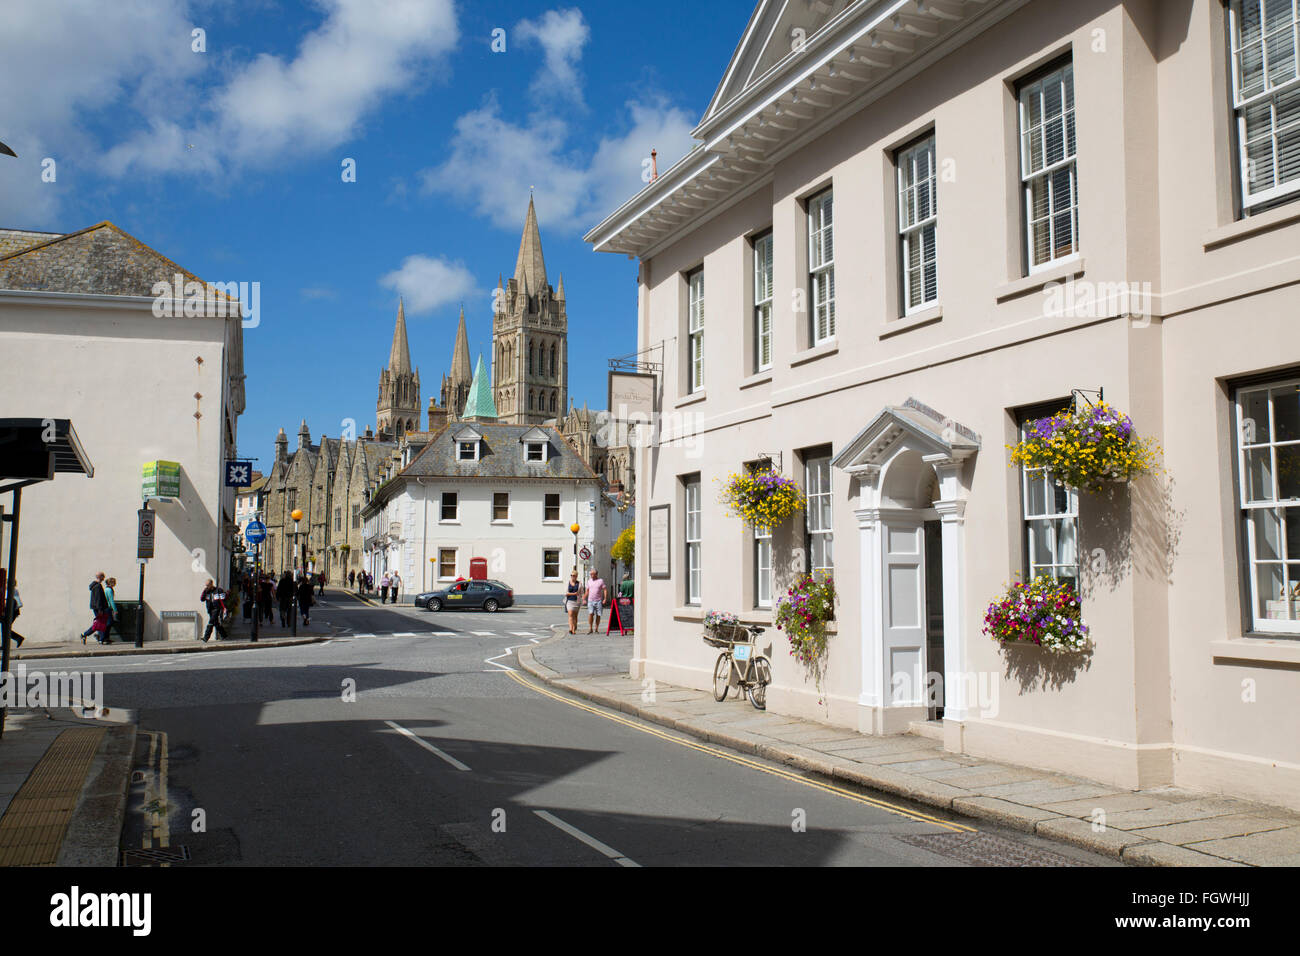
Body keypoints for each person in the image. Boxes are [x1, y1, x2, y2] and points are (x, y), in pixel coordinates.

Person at [81, 572, 110, 645]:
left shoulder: (95, 586)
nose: (104, 578)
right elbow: (98, 599)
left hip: (97, 607)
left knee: (99, 623)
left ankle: (85, 635)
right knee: (101, 623)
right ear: (100, 577)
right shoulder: (97, 586)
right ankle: (101, 639)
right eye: (103, 577)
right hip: (99, 608)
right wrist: (100, 609)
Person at [4, 579, 25, 648]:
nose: (6, 585)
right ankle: (18, 639)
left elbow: (18, 603)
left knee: (6, 628)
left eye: (7, 583)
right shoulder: (10, 591)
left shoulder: (13, 591)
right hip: (11, 611)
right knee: (5, 628)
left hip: (12, 612)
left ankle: (18, 638)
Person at [585, 568, 607, 635]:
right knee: (591, 613)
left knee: (598, 614)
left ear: (596, 574)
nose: (591, 575)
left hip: (598, 600)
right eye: (590, 574)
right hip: (590, 600)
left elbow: (605, 589)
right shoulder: (589, 581)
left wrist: (605, 598)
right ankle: (590, 628)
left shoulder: (600, 581)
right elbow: (587, 591)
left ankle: (596, 628)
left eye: (592, 574)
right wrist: (583, 598)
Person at [564, 570, 581, 635]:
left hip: (577, 602)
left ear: (576, 576)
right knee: (570, 615)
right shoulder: (567, 583)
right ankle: (571, 629)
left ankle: (574, 628)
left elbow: (581, 592)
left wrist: (580, 596)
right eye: (571, 575)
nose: (572, 577)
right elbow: (566, 593)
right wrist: (574, 594)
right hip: (569, 601)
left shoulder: (579, 583)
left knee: (575, 616)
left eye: (574, 575)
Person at [103, 576, 119, 643]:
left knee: (108, 623)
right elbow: (111, 600)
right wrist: (115, 610)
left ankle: (105, 637)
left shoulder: (107, 589)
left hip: (106, 608)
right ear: (111, 583)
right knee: (109, 623)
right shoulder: (109, 590)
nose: (115, 583)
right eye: (114, 582)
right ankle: (104, 637)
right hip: (108, 608)